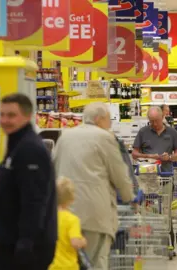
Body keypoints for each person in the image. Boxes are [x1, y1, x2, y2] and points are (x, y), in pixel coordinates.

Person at [53, 102, 136, 269]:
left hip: (64, 212)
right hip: (94, 213)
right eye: (108, 120)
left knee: (69, 261)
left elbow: (54, 169)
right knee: (96, 261)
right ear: (99, 119)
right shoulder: (105, 137)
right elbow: (119, 173)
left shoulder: (65, 136)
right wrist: (130, 198)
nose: (110, 125)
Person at [0, 93, 57, 270]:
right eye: (2, 114)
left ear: (27, 116)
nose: (5, 120)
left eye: (11, 115)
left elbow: (34, 200)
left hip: (26, 246)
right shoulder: (17, 143)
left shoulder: (30, 149)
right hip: (13, 240)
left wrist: (26, 242)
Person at [132, 106, 177, 251]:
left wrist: (170, 157)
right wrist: (148, 156)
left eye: (156, 121)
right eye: (151, 121)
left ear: (162, 118)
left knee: (166, 211)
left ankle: (168, 242)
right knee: (146, 211)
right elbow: (135, 153)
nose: (153, 124)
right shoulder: (143, 132)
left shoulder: (172, 132)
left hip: (166, 176)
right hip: (147, 178)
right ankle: (145, 242)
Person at [49, 177, 87, 270]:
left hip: (51, 265)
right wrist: (83, 241)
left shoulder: (48, 218)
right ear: (72, 199)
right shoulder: (72, 220)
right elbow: (75, 242)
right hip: (68, 266)